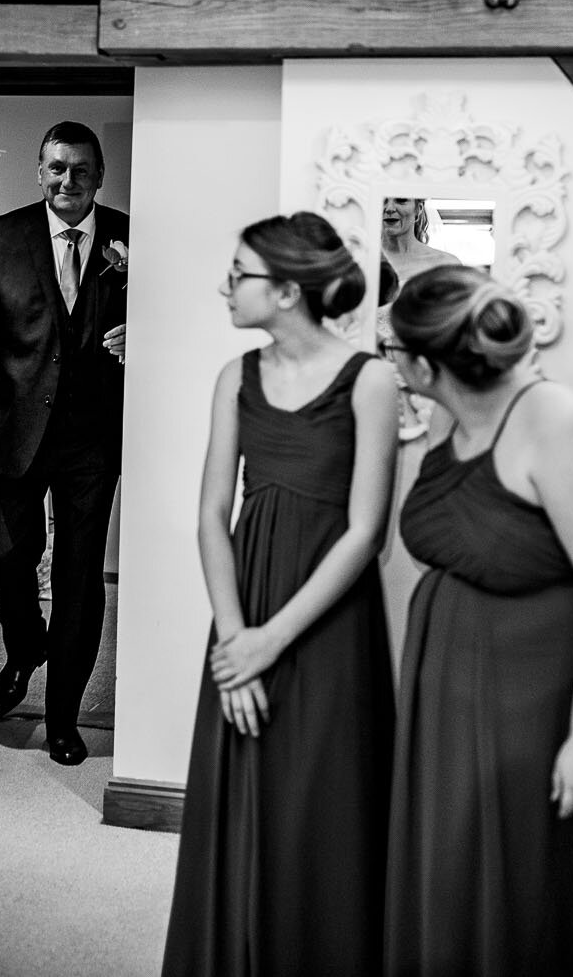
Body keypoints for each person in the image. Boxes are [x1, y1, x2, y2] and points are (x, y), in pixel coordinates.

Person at [382, 266, 573, 976]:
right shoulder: (453, 420)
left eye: (391, 348)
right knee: (457, 872)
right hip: (454, 687)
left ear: (425, 362)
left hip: (546, 693)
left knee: (536, 881)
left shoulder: (562, 422)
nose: (384, 360)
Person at [160, 213, 400, 977]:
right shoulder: (236, 376)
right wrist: (237, 638)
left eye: (240, 273)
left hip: (327, 620)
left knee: (321, 809)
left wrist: (274, 638)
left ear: (289, 289)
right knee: (243, 795)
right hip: (245, 605)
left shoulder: (372, 379)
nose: (225, 286)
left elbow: (366, 531)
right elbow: (209, 514)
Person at [0, 123, 127, 765]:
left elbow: (173, 317)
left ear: (99, 175)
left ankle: (64, 718)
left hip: (93, 438)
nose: (66, 181)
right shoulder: (3, 234)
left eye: (79, 170)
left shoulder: (132, 235)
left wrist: (142, 339)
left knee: (79, 578)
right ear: (39, 171)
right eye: (55, 168)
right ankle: (24, 645)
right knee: (3, 555)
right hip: (12, 428)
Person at [380, 196, 462, 290]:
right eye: (382, 200)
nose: (390, 208)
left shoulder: (446, 264)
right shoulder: (363, 258)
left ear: (418, 210)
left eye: (401, 200)